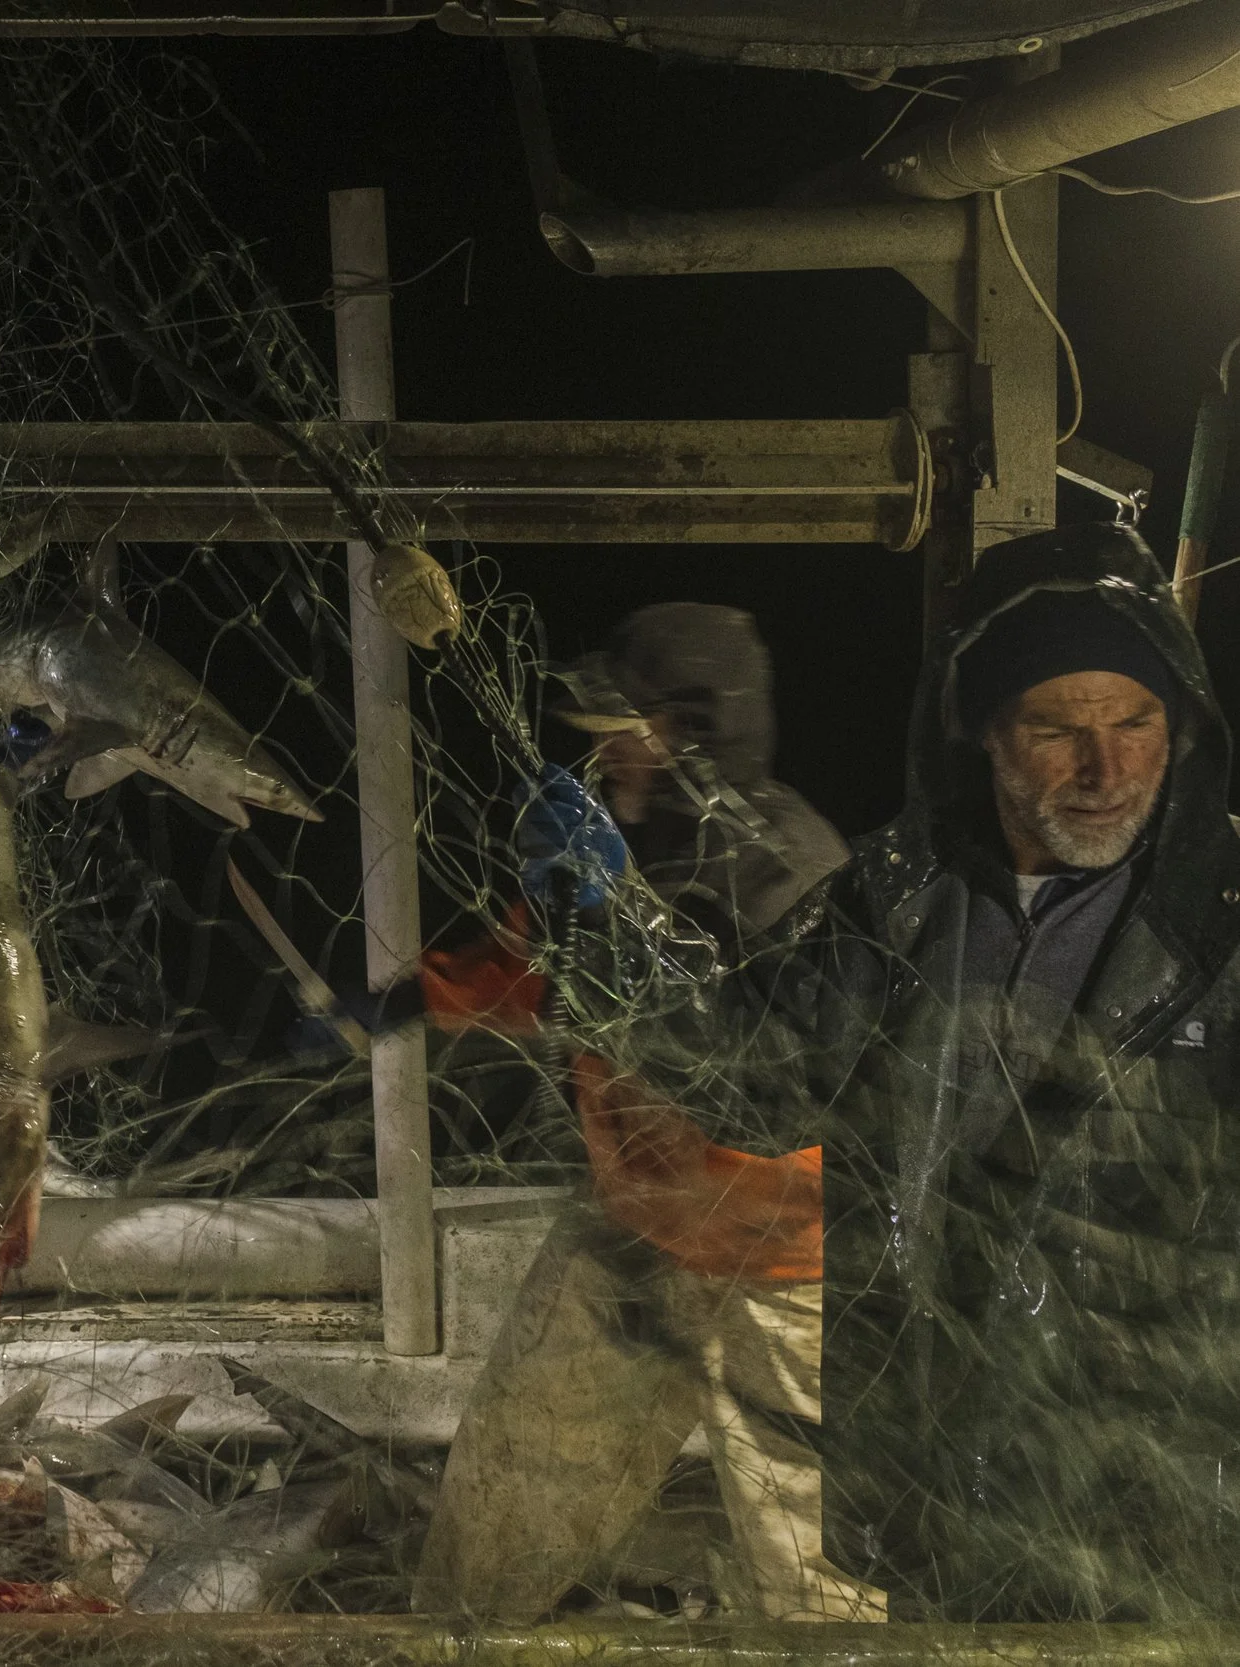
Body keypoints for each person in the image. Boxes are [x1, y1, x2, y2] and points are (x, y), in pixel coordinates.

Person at [541, 524, 1240, 1620]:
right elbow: (744, 1082)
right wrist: (610, 923)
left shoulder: (1224, 929)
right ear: (983, 734)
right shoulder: (892, 905)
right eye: (1058, 726)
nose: (1106, 768)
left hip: (1163, 1510)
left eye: (1137, 721)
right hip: (942, 1480)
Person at [407, 603, 873, 1621]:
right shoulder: (617, 838)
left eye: (626, 729)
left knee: (809, 1562)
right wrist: (407, 1001)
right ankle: (458, 1639)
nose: (604, 752)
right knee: (508, 1491)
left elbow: (747, 1070)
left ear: (696, 731)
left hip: (782, 1264)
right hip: (636, 1222)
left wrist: (622, 916)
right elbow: (540, 970)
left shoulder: (795, 866)